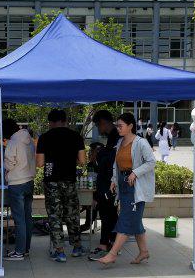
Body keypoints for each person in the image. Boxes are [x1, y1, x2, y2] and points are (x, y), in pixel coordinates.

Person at [95, 112, 156, 266]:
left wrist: (135, 173)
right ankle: (144, 251)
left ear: (130, 126)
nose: (118, 128)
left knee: (125, 218)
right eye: (117, 125)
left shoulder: (141, 143)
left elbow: (151, 162)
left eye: (121, 126)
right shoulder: (119, 142)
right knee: (134, 220)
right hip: (123, 184)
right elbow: (116, 165)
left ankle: (112, 254)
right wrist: (114, 181)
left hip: (135, 186)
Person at [36, 109, 86, 262]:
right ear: (65, 121)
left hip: (51, 179)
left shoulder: (44, 137)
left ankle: (60, 252)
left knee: (54, 215)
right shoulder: (76, 136)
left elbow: (40, 163)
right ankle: (77, 247)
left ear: (50, 122)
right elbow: (82, 161)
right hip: (69, 179)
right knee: (72, 214)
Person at [2, 119, 36, 261]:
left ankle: (19, 251)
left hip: (17, 183)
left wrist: (5, 169)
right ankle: (26, 249)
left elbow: (9, 164)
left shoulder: (13, 142)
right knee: (27, 217)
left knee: (19, 219)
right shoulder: (29, 139)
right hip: (29, 181)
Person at [88, 109, 119, 260]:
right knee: (110, 214)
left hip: (108, 182)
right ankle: (111, 242)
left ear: (103, 123)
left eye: (97, 125)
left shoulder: (117, 136)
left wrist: (99, 153)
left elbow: (111, 160)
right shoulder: (113, 136)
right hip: (108, 181)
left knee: (107, 214)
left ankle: (104, 245)